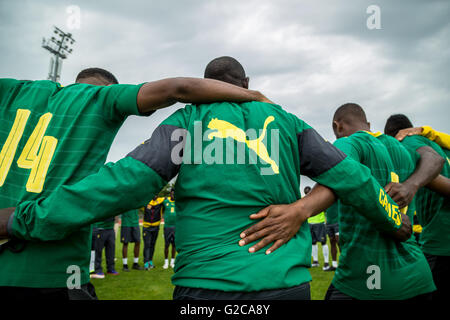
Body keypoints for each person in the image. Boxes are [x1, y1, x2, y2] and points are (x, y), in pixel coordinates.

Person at [0, 57, 411, 300]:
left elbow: (129, 181)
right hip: (286, 284)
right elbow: (353, 178)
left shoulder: (189, 120)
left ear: (209, 85)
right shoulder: (287, 122)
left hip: (206, 288)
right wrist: (396, 220)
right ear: (245, 86)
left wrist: (22, 218)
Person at [0, 67, 270, 299]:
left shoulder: (12, 90)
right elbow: (179, 88)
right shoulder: (100, 97)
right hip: (53, 274)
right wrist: (253, 96)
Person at [322, 103, 438, 300]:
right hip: (416, 274)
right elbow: (434, 158)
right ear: (368, 123)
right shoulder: (401, 149)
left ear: (337, 126)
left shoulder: (350, 143)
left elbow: (338, 170)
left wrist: (299, 210)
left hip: (368, 273)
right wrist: (411, 185)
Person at [385, 113, 450, 300]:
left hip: (440, 242)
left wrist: (410, 185)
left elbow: (433, 160)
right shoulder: (442, 146)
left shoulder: (408, 142)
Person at [304, 186, 330, 270]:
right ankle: (315, 261)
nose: (307, 194)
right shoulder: (303, 200)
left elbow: (326, 210)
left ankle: (326, 263)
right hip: (309, 224)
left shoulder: (318, 200)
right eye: (306, 193)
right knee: (313, 243)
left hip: (319, 224)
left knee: (323, 243)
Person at [143, 195, 164, 269]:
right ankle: (146, 262)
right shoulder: (146, 201)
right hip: (147, 227)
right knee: (147, 244)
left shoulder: (161, 201)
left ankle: (150, 261)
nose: (155, 195)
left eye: (156, 193)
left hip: (156, 227)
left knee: (152, 244)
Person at [162, 189, 177, 269]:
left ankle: (172, 262)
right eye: (172, 194)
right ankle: (166, 262)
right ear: (170, 194)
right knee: (166, 245)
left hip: (175, 227)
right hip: (167, 226)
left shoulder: (178, 203)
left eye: (174, 194)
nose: (173, 195)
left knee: (174, 245)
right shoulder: (165, 202)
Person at [324, 201, 339, 271]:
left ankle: (344, 264)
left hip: (338, 222)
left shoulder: (337, 194)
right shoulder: (326, 198)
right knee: (332, 242)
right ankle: (334, 264)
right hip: (329, 223)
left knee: (340, 243)